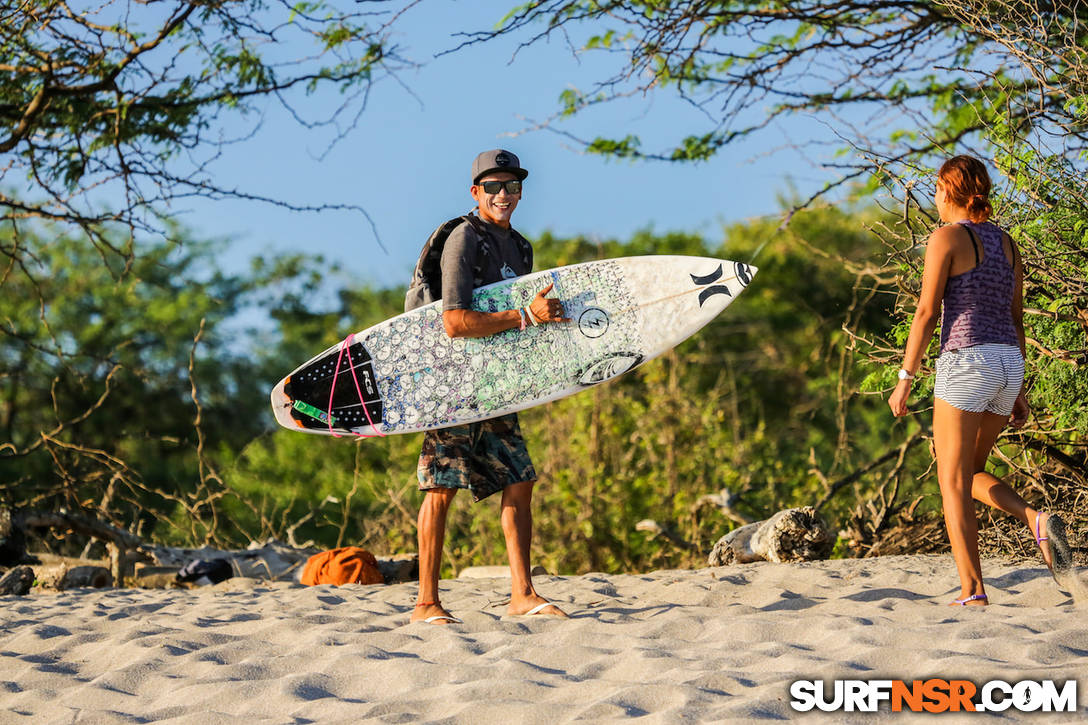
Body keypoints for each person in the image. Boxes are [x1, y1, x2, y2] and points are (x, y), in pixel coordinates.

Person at [888, 154, 1072, 606]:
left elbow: (928, 312)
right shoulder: (1009, 245)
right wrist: (1020, 388)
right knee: (968, 472)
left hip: (967, 363)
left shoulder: (946, 237)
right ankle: (1034, 519)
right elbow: (1015, 318)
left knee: (950, 482)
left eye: (935, 189)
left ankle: (972, 590)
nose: (934, 198)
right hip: (1008, 361)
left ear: (949, 191)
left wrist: (905, 377)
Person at [408, 149, 569, 625]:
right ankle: (425, 604)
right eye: (494, 187)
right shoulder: (464, 238)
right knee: (441, 488)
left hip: (498, 384)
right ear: (476, 192)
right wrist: (524, 316)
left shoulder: (520, 247)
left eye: (513, 187)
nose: (504, 195)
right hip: (457, 384)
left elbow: (519, 322)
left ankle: (522, 595)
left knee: (520, 482)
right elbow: (454, 322)